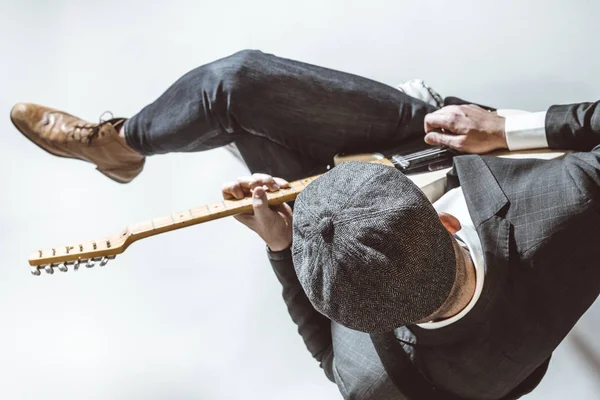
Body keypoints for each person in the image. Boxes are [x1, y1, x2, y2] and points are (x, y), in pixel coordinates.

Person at [10, 49, 600, 399]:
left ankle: (122, 145)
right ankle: (119, 145)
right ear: (445, 222)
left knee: (234, 96)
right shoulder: (573, 201)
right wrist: (516, 131)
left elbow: (329, 357)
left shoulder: (374, 378)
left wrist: (280, 248)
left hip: (379, 213)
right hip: (450, 151)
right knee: (234, 82)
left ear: (358, 317)